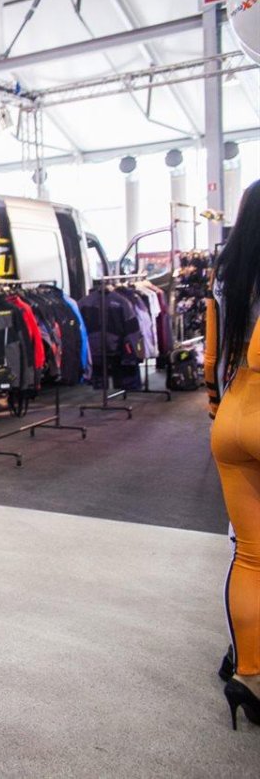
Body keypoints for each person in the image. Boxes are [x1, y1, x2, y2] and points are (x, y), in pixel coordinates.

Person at [206, 179, 260, 730]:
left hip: (232, 410)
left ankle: (248, 672)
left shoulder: (227, 273)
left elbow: (213, 353)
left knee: (249, 555)